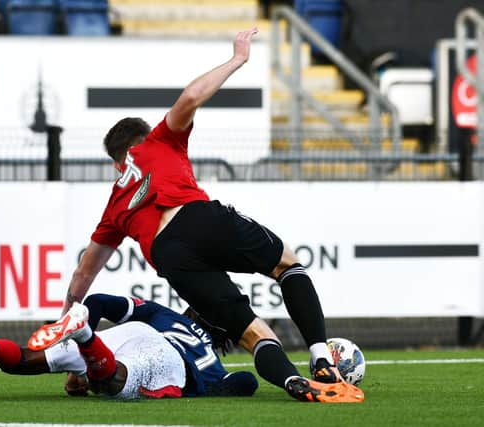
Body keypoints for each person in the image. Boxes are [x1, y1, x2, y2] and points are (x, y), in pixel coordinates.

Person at [29, 28, 364, 403]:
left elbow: (83, 275)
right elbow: (191, 96)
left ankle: (293, 383)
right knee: (288, 265)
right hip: (195, 218)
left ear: (117, 162)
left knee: (254, 334)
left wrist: (65, 323)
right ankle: (321, 359)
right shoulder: (158, 140)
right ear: (140, 141)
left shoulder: (115, 204)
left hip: (170, 258)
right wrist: (237, 59)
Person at [0, 294, 259, 399]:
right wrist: (227, 382)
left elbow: (97, 300)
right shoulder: (211, 359)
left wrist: (88, 330)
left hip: (130, 333)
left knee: (23, 359)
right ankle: (83, 338)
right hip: (165, 358)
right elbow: (246, 383)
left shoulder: (165, 314)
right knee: (112, 383)